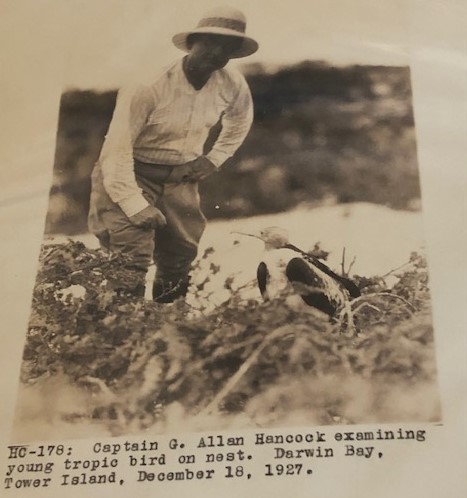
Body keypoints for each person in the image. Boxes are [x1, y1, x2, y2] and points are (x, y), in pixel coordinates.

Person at [88, 7, 258, 302]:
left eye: (227, 47)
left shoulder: (232, 84)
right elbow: (116, 148)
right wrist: (133, 203)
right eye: (210, 42)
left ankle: (168, 332)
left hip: (180, 180)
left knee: (180, 256)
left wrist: (214, 158)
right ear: (193, 42)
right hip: (128, 175)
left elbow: (241, 120)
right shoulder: (149, 84)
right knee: (131, 260)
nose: (217, 53)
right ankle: (118, 335)